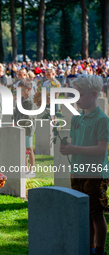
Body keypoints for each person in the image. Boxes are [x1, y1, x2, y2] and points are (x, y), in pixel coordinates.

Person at [59, 75, 109, 255]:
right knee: (83, 213)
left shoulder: (101, 119)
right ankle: (87, 248)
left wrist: (75, 148)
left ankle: (100, 250)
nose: (76, 99)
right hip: (77, 171)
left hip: (95, 174)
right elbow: (76, 145)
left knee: (96, 213)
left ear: (94, 94)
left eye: (79, 95)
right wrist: (67, 149)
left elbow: (101, 150)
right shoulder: (76, 119)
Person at [14, 80, 37, 176]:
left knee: (29, 148)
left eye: (23, 90)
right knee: (23, 149)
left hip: (28, 128)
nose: (21, 92)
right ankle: (25, 168)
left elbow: (28, 116)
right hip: (20, 127)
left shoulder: (31, 102)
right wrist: (14, 121)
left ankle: (32, 169)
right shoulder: (20, 100)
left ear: (29, 89)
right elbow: (15, 112)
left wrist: (17, 123)